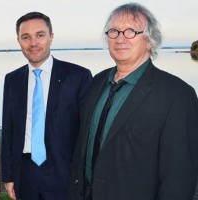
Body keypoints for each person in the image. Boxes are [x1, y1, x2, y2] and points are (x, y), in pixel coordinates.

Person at [68, 3, 198, 200]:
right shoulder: (97, 82)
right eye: (114, 31)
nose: (120, 39)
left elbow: (179, 178)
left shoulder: (178, 95)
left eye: (131, 31)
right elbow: (82, 147)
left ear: (150, 41)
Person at [1, 12, 92, 200]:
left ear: (51, 37)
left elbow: (87, 131)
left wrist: (83, 177)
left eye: (40, 35)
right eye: (26, 37)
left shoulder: (78, 76)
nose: (33, 43)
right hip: (25, 174)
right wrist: (8, 176)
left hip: (64, 173)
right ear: (18, 41)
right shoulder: (12, 80)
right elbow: (9, 131)